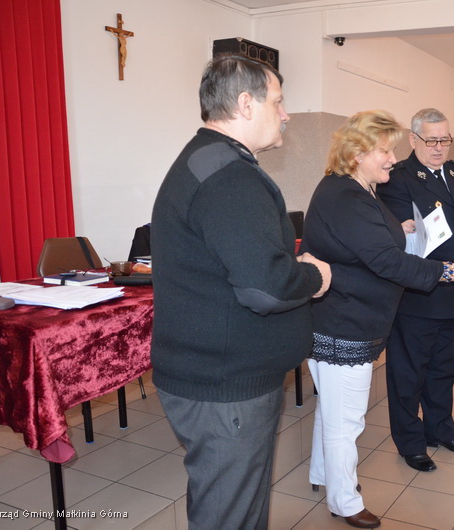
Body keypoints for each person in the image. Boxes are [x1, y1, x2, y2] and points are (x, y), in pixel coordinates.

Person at [150, 55, 331, 529]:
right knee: (230, 514)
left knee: (233, 505)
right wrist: (315, 277)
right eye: (279, 102)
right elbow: (265, 288)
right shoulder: (229, 176)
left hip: (218, 375)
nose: (286, 114)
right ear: (246, 104)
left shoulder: (208, 159)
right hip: (225, 385)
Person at [301, 110, 454, 528]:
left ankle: (323, 475)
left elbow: (371, 243)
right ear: (357, 153)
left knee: (332, 410)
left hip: (350, 317)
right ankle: (345, 501)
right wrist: (449, 271)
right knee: (346, 420)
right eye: (384, 150)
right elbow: (386, 260)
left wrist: (402, 232)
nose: (391, 158)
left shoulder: (357, 189)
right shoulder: (346, 196)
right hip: (344, 321)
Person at [376, 108, 454, 472]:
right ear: (413, 139)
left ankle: (441, 431)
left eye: (445, 139)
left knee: (444, 370)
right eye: (431, 140)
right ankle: (410, 443)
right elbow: (417, 236)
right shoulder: (397, 179)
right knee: (408, 374)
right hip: (420, 294)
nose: (439, 147)